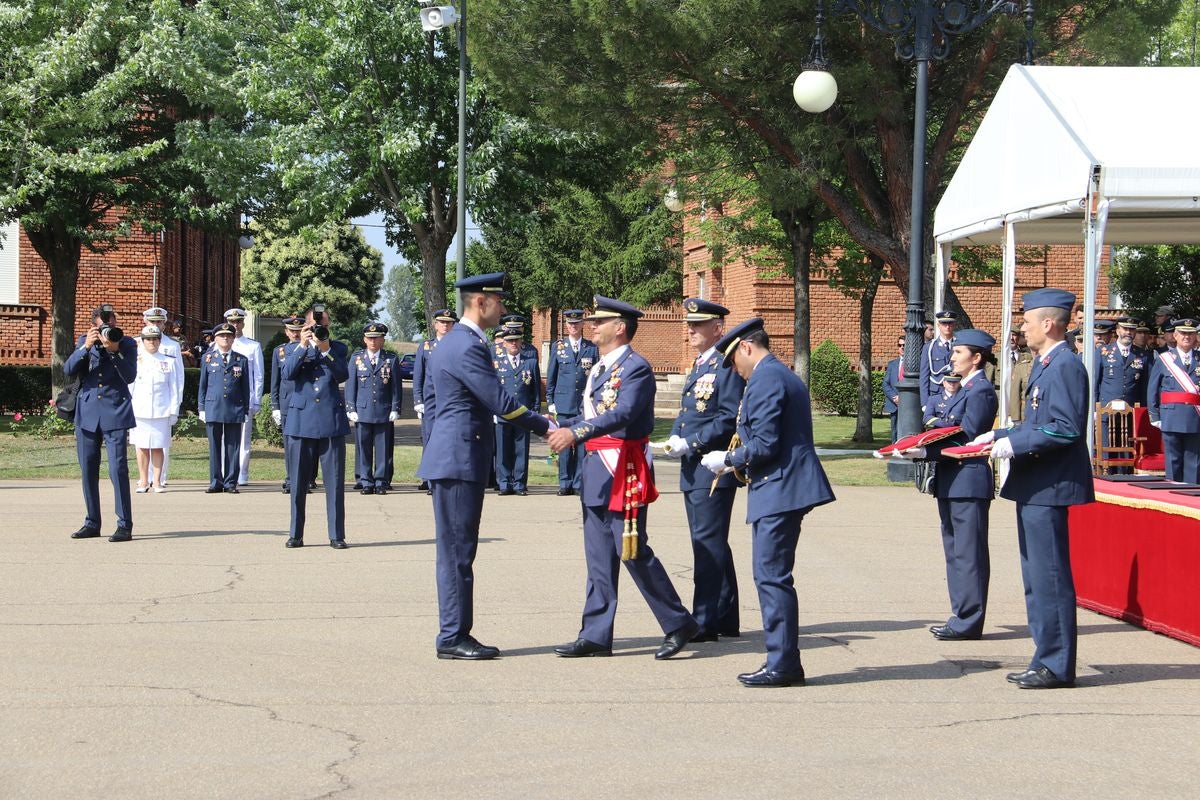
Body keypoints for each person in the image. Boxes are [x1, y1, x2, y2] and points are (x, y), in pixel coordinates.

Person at [547, 296, 699, 661]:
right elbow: (594, 415)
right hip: (597, 468)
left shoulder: (637, 368)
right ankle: (596, 634)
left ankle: (679, 623)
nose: (591, 326)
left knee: (632, 551)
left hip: (622, 468)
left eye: (600, 321)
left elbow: (625, 412)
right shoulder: (599, 368)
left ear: (620, 327)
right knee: (598, 557)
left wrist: (576, 432)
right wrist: (557, 428)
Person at [417, 273, 551, 660]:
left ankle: (453, 632)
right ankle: (453, 636)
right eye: (498, 301)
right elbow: (501, 402)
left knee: (455, 551)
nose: (504, 308)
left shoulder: (454, 342)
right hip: (460, 459)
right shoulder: (466, 346)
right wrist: (547, 426)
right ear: (480, 302)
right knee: (459, 552)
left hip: (453, 454)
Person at [700, 318, 835, 687]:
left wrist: (727, 461)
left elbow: (766, 443)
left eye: (733, 362)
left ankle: (783, 663)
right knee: (771, 575)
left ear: (745, 347)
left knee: (771, 576)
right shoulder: (771, 375)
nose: (734, 371)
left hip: (780, 487)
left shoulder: (767, 378)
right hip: (779, 486)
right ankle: (782, 659)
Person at [972, 288, 1094, 689]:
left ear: (1048, 324)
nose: (1021, 327)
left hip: (1051, 485)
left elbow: (1064, 428)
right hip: (1036, 484)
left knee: (1050, 576)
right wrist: (997, 435)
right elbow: (1037, 422)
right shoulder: (1046, 364)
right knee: (1036, 576)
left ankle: (1056, 665)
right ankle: (1045, 656)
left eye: (1026, 321)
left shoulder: (1065, 366)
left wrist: (1012, 445)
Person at [660, 298, 745, 641]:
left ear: (717, 329)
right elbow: (689, 411)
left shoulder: (725, 366)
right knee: (711, 543)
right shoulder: (699, 364)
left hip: (712, 467)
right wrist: (675, 436)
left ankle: (705, 620)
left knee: (707, 545)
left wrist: (691, 442)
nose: (690, 330)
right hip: (693, 466)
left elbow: (727, 418)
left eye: (698, 325)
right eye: (689, 325)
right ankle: (725, 617)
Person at [912, 329, 999, 642]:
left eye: (958, 352)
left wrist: (924, 449)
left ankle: (969, 620)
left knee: (968, 554)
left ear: (976, 358)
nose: (952, 357)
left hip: (969, 478)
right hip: (952, 478)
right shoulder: (964, 389)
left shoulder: (981, 391)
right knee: (955, 552)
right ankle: (960, 614)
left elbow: (968, 436)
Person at [65, 304, 138, 542]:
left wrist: (114, 350)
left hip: (115, 411)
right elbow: (68, 369)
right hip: (87, 413)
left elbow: (129, 376)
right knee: (88, 469)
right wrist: (85, 348)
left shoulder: (126, 343)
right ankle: (92, 522)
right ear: (94, 325)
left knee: (118, 469)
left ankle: (124, 524)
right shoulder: (84, 341)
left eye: (112, 323)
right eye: (103, 325)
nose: (109, 328)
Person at [283, 309, 352, 548]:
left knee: (334, 483)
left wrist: (325, 349)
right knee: (298, 483)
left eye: (320, 324)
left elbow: (343, 374)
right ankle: (295, 534)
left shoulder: (338, 348)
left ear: (328, 324)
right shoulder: (292, 349)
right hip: (301, 421)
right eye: (312, 324)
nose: (316, 328)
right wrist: (302, 346)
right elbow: (288, 374)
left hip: (330, 421)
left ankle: (336, 535)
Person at [545, 309, 598, 495]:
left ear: (582, 325)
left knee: (582, 446)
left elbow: (596, 377)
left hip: (583, 405)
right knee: (565, 445)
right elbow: (551, 375)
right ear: (566, 326)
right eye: (570, 324)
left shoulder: (592, 348)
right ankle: (564, 483)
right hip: (564, 402)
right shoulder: (558, 347)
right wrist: (550, 399)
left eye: (576, 323)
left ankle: (578, 483)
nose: (573, 326)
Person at [347, 322, 401, 495]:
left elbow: (396, 387)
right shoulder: (356, 358)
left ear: (382, 340)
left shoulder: (390, 359)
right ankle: (366, 481)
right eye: (369, 338)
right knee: (363, 448)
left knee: (383, 448)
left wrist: (395, 407)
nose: (373, 341)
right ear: (364, 339)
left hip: (383, 410)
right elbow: (351, 386)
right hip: (362, 411)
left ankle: (381, 481)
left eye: (376, 338)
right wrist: (351, 408)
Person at [1146, 317, 1200, 483]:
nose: (1187, 337)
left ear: (1196, 336)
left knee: (1194, 463)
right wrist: (1154, 416)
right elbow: (1152, 389)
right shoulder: (1164, 359)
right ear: (1175, 335)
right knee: (1173, 461)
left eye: (1190, 334)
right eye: (1183, 333)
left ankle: (1192, 502)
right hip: (1171, 417)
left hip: (1195, 418)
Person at [199, 322, 250, 494]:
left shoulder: (241, 360)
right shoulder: (208, 358)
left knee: (233, 447)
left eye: (228, 336)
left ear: (233, 338)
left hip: (234, 407)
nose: (225, 338)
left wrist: (246, 408)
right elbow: (203, 386)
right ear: (215, 338)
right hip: (213, 407)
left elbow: (245, 387)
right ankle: (215, 482)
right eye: (222, 336)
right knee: (214, 447)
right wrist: (202, 408)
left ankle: (230, 482)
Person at [131, 325, 182, 493]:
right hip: (140, 410)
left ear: (160, 341)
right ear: (142, 341)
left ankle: (157, 481)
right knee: (142, 446)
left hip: (162, 410)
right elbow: (130, 387)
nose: (151, 342)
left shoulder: (169, 360)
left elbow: (175, 387)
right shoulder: (135, 360)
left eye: (155, 339)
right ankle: (144, 481)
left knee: (159, 446)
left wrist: (174, 410)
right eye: (148, 339)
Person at [494, 325, 542, 496]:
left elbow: (535, 390)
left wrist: (535, 411)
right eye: (509, 341)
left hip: (523, 414)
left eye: (516, 340)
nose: (513, 343)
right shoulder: (497, 364)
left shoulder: (530, 362)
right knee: (503, 450)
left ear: (522, 342)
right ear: (504, 343)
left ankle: (520, 483)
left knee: (521, 449)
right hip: (502, 414)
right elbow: (492, 390)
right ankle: (505, 483)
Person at [413, 308, 458, 492]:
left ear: (454, 325)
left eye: (448, 323)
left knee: (449, 441)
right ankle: (430, 479)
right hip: (431, 402)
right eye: (441, 322)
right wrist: (418, 400)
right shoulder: (426, 347)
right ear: (435, 324)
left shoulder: (458, 346)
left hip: (452, 401)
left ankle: (446, 477)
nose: (445, 325)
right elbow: (418, 376)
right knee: (430, 440)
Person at [141, 307, 185, 485]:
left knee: (162, 443)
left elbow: (178, 378)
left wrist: (176, 405)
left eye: (159, 322)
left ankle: (160, 477)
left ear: (165, 323)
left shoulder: (173, 345)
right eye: (152, 321)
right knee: (142, 442)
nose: (156, 325)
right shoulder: (137, 343)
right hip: (143, 402)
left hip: (163, 401)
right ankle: (145, 478)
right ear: (145, 322)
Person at [224, 308, 264, 486]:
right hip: (224, 400)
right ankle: (226, 472)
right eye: (232, 322)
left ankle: (242, 474)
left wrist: (256, 400)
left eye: (238, 321)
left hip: (244, 398)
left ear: (243, 323)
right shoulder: (218, 344)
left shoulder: (252, 346)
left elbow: (258, 375)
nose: (235, 325)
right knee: (224, 437)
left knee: (243, 439)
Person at [270, 316, 305, 494]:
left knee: (305, 444)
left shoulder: (309, 349)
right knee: (289, 443)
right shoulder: (280, 351)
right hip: (286, 403)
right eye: (292, 331)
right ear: (286, 332)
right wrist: (275, 405)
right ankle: (291, 479)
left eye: (299, 331)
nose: (296, 334)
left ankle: (305, 480)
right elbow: (275, 381)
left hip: (305, 404)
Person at [920, 310, 957, 412]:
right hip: (936, 394)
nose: (947, 326)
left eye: (950, 323)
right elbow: (924, 376)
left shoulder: (960, 346)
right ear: (939, 325)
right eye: (944, 323)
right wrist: (924, 403)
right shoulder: (930, 347)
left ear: (954, 325)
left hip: (956, 393)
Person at [1007, 328, 1034, 423]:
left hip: (1023, 407)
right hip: (1002, 402)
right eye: (1009, 335)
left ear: (1018, 338)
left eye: (1014, 335)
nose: (1011, 338)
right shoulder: (997, 358)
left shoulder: (1028, 357)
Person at [881, 334, 904, 442]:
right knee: (894, 430)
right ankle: (894, 450)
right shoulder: (892, 364)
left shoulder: (915, 364)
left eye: (905, 345)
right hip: (894, 403)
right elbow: (885, 384)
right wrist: (895, 397)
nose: (902, 347)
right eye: (900, 345)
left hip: (909, 404)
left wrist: (904, 398)